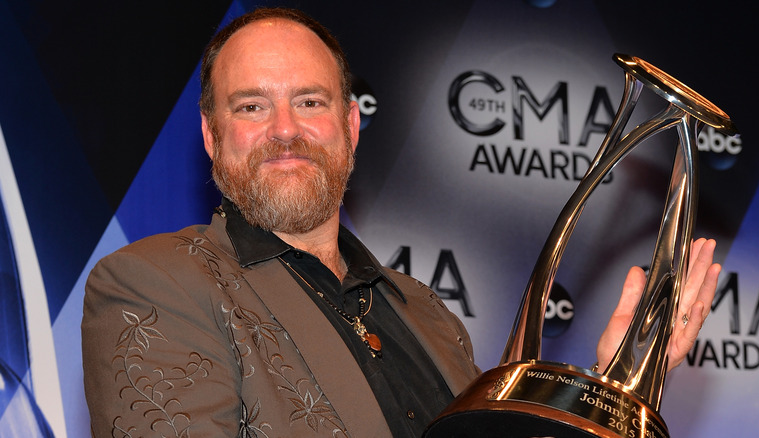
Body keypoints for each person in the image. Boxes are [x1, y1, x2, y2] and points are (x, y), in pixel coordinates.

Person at [81, 7, 720, 438]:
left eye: (310, 101)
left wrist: (609, 395)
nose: (285, 130)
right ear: (212, 137)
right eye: (252, 106)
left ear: (351, 127)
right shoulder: (153, 284)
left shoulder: (427, 315)